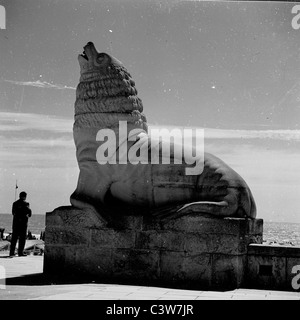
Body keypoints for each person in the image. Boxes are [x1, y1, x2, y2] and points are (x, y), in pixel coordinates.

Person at [9, 191, 32, 257]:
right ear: (25, 196)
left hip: (16, 223)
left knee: (14, 239)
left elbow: (13, 213)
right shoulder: (26, 204)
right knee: (22, 239)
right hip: (23, 224)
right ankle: (20, 252)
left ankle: (12, 252)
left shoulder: (15, 203)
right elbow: (29, 213)